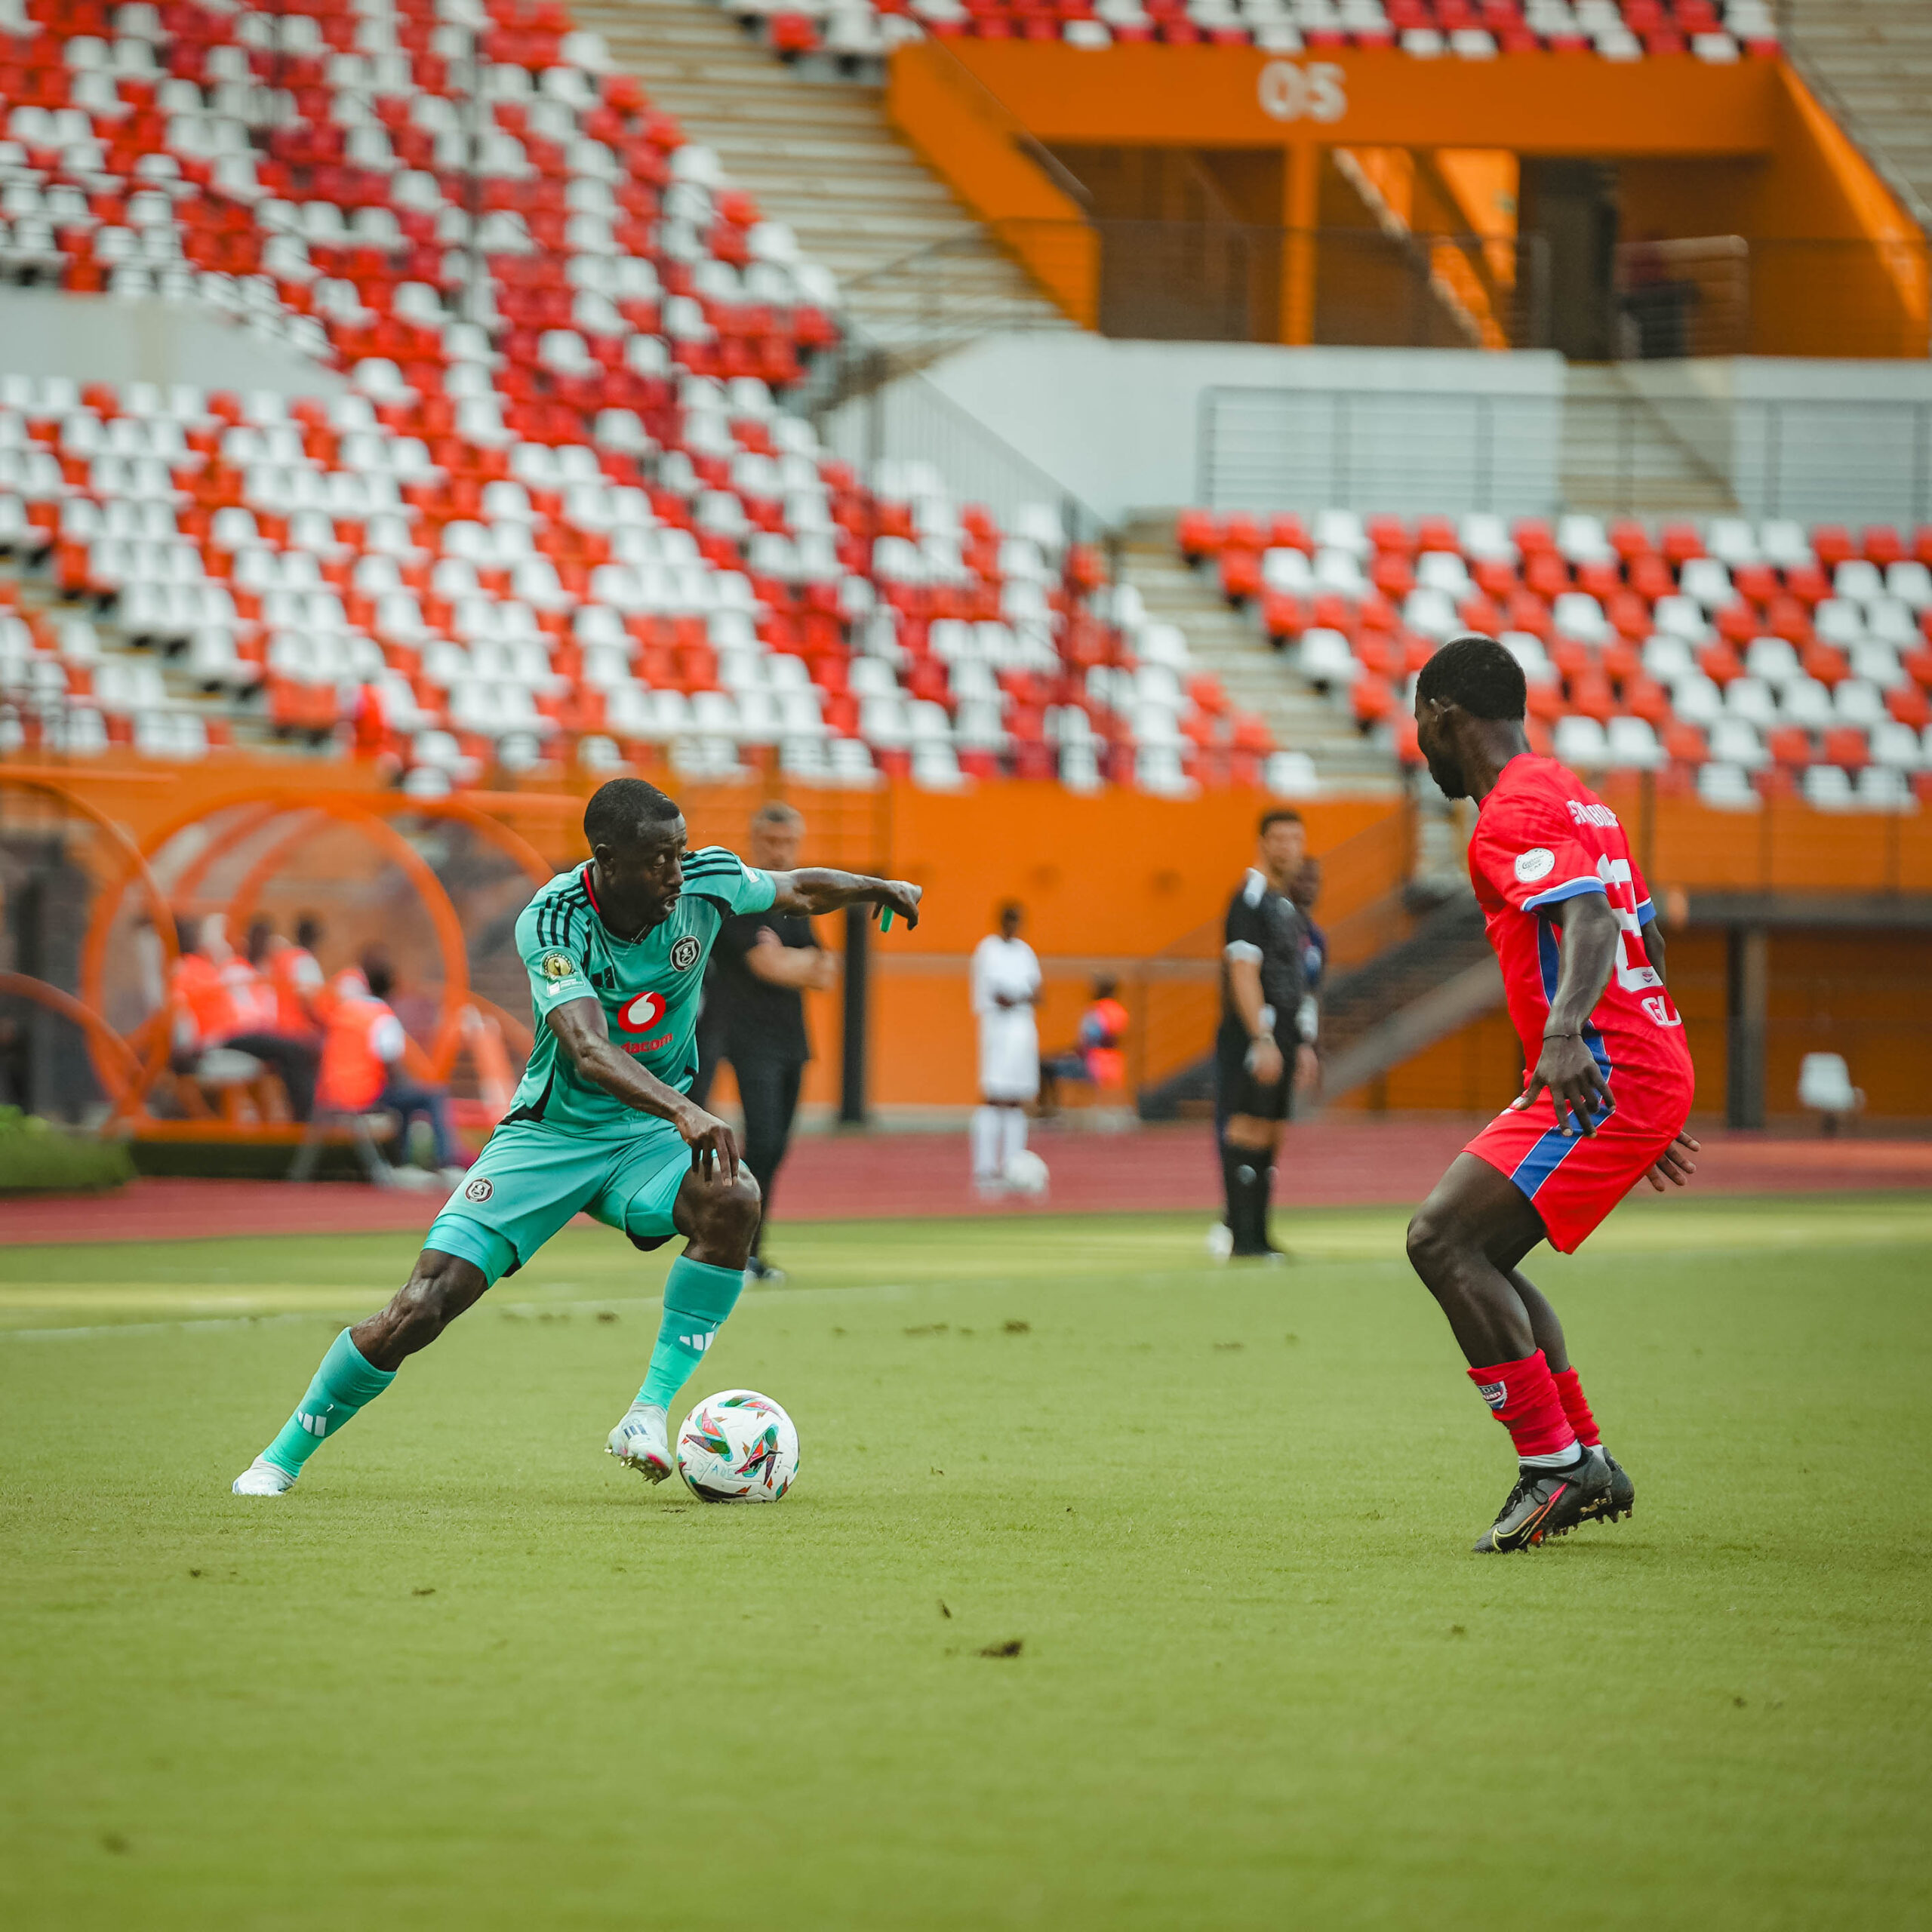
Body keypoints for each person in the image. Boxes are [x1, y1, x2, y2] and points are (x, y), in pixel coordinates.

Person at [231, 777, 921, 1497]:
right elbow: (588, 1048)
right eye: (658, 859)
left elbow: (797, 889)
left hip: (644, 1139)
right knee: (423, 1306)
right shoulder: (554, 920)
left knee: (733, 1196)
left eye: (680, 854)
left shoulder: (706, 881)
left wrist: (878, 887)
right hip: (550, 1139)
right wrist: (685, 1110)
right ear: (606, 859)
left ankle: (647, 1414)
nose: (676, 873)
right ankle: (279, 1458)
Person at [1403, 635, 1698, 1555]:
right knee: (1481, 1249)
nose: (1418, 744)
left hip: (1604, 1064)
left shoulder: (1512, 811)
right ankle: (1585, 1457)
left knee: (1442, 1239)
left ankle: (1555, 1463)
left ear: (1445, 715)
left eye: (1420, 723)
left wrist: (1572, 1039)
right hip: (1627, 1065)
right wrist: (1650, 1076)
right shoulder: (1579, 798)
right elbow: (1641, 933)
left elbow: (1590, 917)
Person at [691, 801, 838, 1284]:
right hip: (745, 1036)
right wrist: (801, 963)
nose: (780, 850)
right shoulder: (743, 896)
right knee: (759, 1144)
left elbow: (828, 971)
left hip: (791, 1038)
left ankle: (752, 1250)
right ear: (756, 841)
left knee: (774, 1151)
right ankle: (729, 1248)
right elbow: (765, 965)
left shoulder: (797, 901)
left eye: (788, 842)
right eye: (772, 841)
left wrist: (795, 961)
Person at [1212, 811, 1319, 1260]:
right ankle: (1242, 1237)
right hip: (1257, 1034)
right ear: (1263, 843)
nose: (1290, 848)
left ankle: (1260, 1234)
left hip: (1287, 1034)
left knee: (1272, 1130)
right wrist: (1261, 1036)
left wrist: (1306, 1043)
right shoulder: (1249, 899)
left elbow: (1298, 979)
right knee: (1247, 1127)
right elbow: (1242, 971)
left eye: (1297, 839)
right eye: (1280, 839)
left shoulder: (1286, 905)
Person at [170, 917, 319, 1121]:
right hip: (220, 1039)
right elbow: (179, 1014)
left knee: (292, 1050)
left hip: (236, 1033)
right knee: (291, 1050)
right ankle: (305, 1123)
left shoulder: (203, 967)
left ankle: (301, 1119)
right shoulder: (181, 970)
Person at [970, 901, 1041, 1195]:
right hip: (998, 1030)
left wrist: (1019, 996)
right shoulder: (988, 949)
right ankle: (985, 1169)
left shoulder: (1025, 952)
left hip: (1023, 1031)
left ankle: (1012, 1166)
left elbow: (1039, 993)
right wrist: (1019, 995)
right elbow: (997, 995)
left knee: (1016, 1098)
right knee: (994, 1096)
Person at [1038, 976, 1129, 1115]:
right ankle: (1050, 1111)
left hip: (1092, 1063)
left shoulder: (1097, 1011)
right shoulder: (1119, 1011)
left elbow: (1087, 1041)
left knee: (1046, 1067)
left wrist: (1068, 1052)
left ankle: (1048, 1111)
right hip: (1114, 1063)